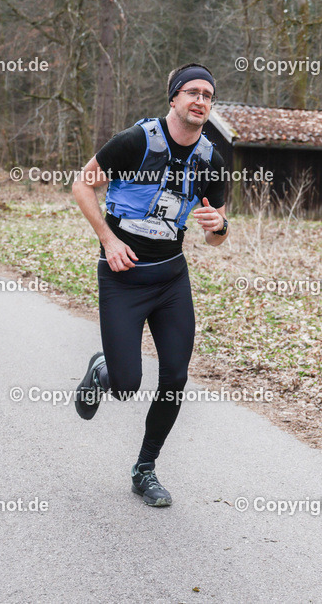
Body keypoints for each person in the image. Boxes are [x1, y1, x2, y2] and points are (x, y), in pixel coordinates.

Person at [71, 63, 230, 507]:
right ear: (174, 99)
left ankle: (145, 469)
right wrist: (107, 239)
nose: (201, 100)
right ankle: (104, 370)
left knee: (175, 377)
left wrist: (219, 226)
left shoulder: (211, 161)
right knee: (126, 385)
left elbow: (216, 238)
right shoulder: (137, 141)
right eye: (193, 92)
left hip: (170, 280)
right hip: (123, 278)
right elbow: (82, 185)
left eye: (208, 95)